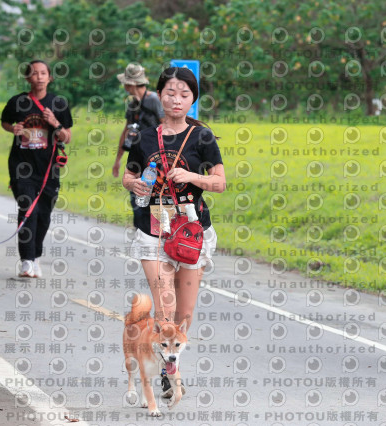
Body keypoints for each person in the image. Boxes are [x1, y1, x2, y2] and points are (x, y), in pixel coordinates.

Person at [122, 66, 225, 397]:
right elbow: (128, 175)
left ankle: (171, 360)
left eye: (184, 94)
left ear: (193, 99)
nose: (176, 99)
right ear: (160, 95)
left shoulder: (202, 138)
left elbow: (220, 183)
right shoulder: (144, 137)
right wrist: (134, 184)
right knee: (164, 307)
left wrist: (192, 177)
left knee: (184, 314)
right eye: (170, 93)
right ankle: (169, 376)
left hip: (191, 233)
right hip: (153, 230)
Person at [1, 60, 73, 278]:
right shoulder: (18, 102)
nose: (39, 77)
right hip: (21, 167)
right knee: (28, 211)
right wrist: (13, 128)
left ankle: (36, 256)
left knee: (43, 215)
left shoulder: (58, 103)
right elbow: (5, 122)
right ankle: (26, 261)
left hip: (48, 170)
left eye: (43, 73)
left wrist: (55, 123)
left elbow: (67, 137)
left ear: (50, 78)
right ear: (27, 78)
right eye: (35, 73)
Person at [113, 63, 164, 227]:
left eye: (125, 83)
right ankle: (140, 232)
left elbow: (166, 126)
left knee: (152, 200)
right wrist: (118, 160)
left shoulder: (154, 100)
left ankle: (152, 232)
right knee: (137, 199)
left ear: (131, 84)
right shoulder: (132, 104)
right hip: (137, 157)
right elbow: (126, 131)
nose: (124, 86)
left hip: (155, 160)